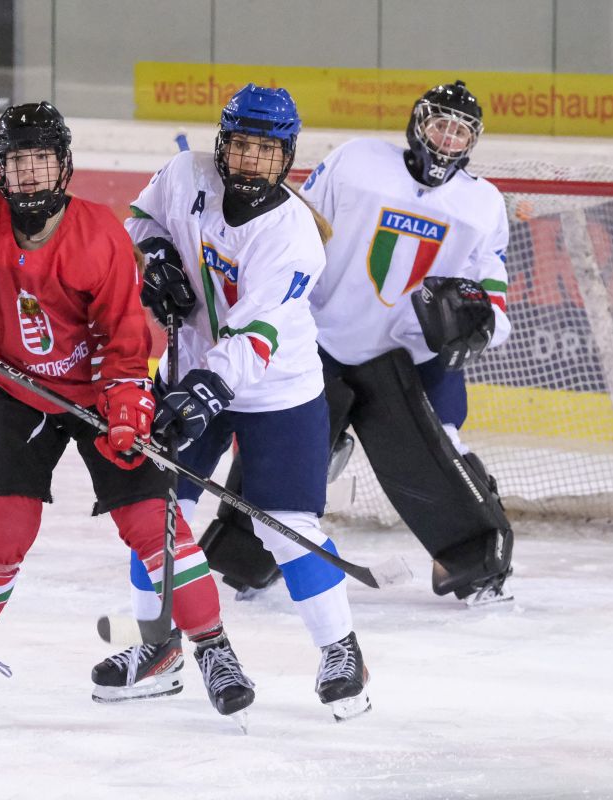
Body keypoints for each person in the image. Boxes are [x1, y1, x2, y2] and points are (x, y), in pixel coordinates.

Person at [0, 101, 254, 720]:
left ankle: (213, 648)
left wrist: (125, 404)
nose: (30, 174)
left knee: (155, 523)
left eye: (42, 160)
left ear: (64, 166)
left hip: (99, 393)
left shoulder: (97, 234)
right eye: (18, 162)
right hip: (20, 394)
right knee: (2, 530)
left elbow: (124, 340)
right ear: (0, 170)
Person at [109, 83, 371, 722]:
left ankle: (343, 652)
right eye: (242, 145)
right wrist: (156, 258)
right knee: (155, 512)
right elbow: (141, 220)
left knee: (286, 527)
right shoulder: (185, 173)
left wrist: (204, 389)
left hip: (278, 390)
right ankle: (159, 650)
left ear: (288, 157)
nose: (252, 160)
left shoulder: (294, 237)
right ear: (222, 143)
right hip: (194, 368)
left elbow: (256, 336)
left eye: (267, 150)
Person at [202, 80, 515, 606]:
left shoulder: (482, 204)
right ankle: (248, 559)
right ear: (417, 124)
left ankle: (477, 567)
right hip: (318, 336)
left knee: (438, 454)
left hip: (407, 355)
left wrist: (483, 324)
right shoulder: (357, 162)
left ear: (473, 141)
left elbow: (491, 288)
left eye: (460, 132)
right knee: (278, 453)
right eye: (440, 124)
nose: (448, 138)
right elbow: (297, 221)